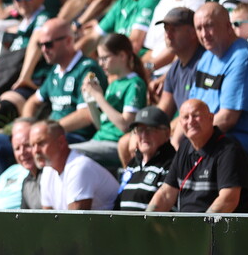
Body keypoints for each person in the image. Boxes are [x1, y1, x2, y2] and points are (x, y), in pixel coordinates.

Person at [147, 99, 248, 212]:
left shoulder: (229, 150)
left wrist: (201, 228)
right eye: (185, 117)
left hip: (221, 228)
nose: (190, 121)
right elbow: (166, 194)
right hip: (188, 227)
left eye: (196, 115)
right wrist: (146, 222)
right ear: (180, 123)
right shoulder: (184, 147)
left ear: (211, 118)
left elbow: (228, 200)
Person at [188, 2, 248, 164]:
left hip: (240, 142)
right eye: (199, 28)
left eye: (209, 26)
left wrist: (190, 141)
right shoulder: (206, 57)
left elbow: (227, 119)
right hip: (206, 135)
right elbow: (190, 108)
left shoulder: (244, 57)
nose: (204, 34)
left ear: (228, 27)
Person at [74, 33, 148, 167]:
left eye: (105, 58)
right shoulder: (114, 84)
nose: (101, 63)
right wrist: (90, 101)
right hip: (99, 140)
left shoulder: (135, 83)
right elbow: (101, 126)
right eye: (99, 59)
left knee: (69, 152)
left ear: (122, 56)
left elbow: (125, 126)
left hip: (115, 144)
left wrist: (98, 96)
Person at [29, 119, 120, 210]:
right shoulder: (47, 169)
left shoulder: (79, 167)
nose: (36, 150)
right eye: (32, 145)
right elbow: (47, 217)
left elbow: (76, 221)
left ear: (61, 142)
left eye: (41, 143)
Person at [116, 106, 176, 211]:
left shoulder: (172, 165)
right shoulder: (133, 164)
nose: (144, 135)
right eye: (139, 129)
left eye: (150, 129)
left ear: (167, 133)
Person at [0, 118, 41, 210]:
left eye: (27, 145)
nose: (22, 152)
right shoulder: (11, 171)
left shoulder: (46, 174)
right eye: (17, 148)